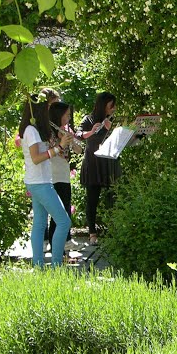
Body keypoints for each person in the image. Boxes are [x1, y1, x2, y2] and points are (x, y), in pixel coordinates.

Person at [20, 97, 71, 267]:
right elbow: (36, 158)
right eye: (47, 107)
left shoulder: (34, 129)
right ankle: (56, 265)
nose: (50, 111)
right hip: (40, 183)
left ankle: (38, 266)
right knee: (64, 221)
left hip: (38, 182)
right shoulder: (31, 131)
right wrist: (60, 147)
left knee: (40, 223)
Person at [77, 91, 119, 245]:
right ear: (103, 105)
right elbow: (78, 134)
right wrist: (93, 131)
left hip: (109, 162)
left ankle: (114, 231)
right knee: (92, 199)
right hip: (94, 163)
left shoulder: (114, 120)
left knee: (112, 199)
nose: (113, 109)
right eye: (111, 106)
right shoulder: (89, 119)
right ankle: (92, 233)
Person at [46, 101, 79, 247]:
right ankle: (57, 246)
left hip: (64, 176)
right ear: (58, 115)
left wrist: (71, 141)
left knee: (65, 209)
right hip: (54, 176)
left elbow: (78, 150)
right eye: (66, 115)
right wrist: (62, 141)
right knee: (58, 214)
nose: (69, 118)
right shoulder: (48, 131)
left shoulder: (65, 130)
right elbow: (53, 152)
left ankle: (61, 247)